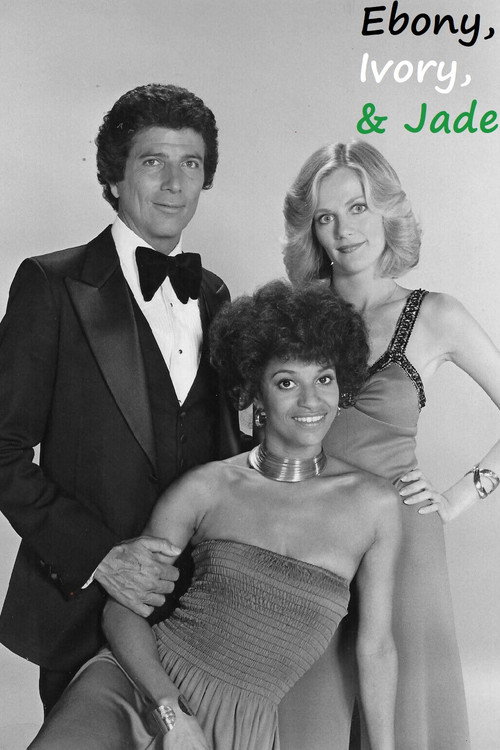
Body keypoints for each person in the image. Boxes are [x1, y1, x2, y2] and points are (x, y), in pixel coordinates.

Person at [29, 281, 401, 750]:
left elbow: (377, 648)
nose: (311, 401)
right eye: (287, 382)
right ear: (255, 394)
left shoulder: (374, 504)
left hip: (240, 728)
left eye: (324, 379)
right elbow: (121, 610)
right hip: (137, 691)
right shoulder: (206, 488)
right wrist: (171, 713)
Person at [0, 83, 240, 716]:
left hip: (204, 616)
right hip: (84, 604)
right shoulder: (50, 284)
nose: (174, 184)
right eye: (153, 161)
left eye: (191, 164)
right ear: (113, 175)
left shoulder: (216, 295)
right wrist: (101, 558)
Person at [280, 140, 500, 750]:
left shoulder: (436, 315)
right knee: (311, 721)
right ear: (311, 231)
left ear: (387, 211)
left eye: (358, 208)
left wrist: (460, 496)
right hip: (310, 541)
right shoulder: (294, 316)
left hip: (404, 544)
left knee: (405, 723)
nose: (344, 230)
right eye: (325, 217)